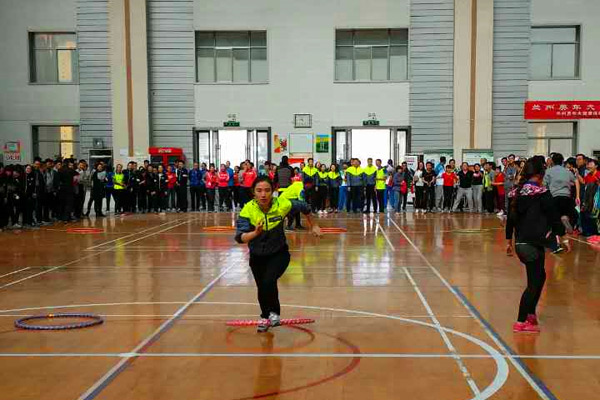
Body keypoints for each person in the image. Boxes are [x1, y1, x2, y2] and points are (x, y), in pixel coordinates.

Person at [235, 176, 321, 332]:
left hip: (279, 254)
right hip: (257, 256)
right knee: (262, 286)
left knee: (268, 281)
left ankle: (273, 314)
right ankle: (266, 316)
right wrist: (255, 233)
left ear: (273, 191)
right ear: (253, 192)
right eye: (259, 191)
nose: (263, 194)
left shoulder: (282, 204)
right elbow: (240, 238)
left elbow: (305, 207)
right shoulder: (247, 210)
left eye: (267, 190)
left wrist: (314, 225)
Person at [506, 157, 571, 333]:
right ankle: (521, 322)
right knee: (533, 284)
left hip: (522, 244)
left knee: (540, 277)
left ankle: (530, 314)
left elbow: (510, 221)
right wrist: (564, 238)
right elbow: (554, 218)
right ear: (541, 174)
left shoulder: (515, 193)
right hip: (532, 245)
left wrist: (508, 242)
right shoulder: (542, 193)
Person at [581, 159, 600, 237]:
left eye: (591, 164)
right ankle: (589, 232)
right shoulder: (589, 175)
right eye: (588, 164)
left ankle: (596, 233)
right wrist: (577, 175)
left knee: (596, 216)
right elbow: (583, 181)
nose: (589, 166)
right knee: (587, 214)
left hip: (597, 199)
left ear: (596, 166)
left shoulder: (599, 174)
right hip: (589, 199)